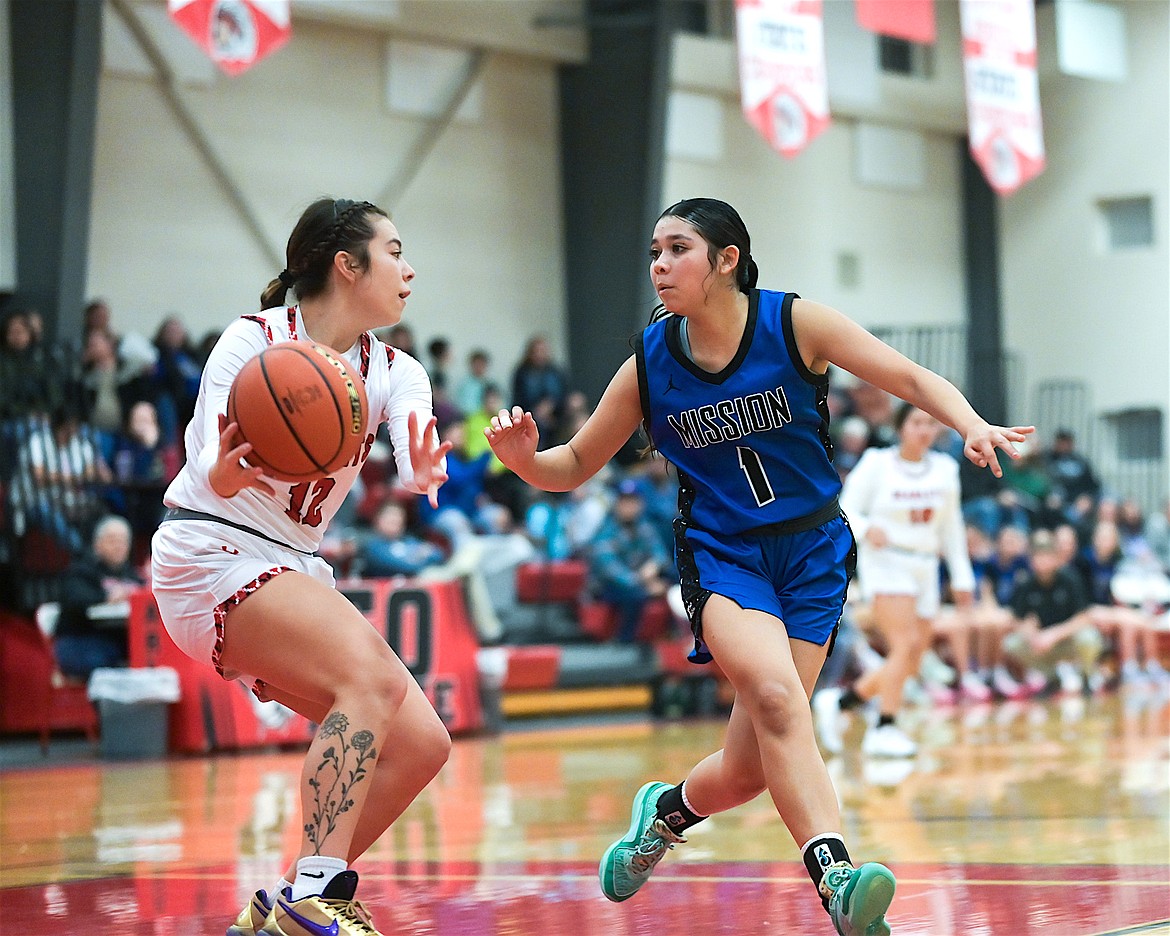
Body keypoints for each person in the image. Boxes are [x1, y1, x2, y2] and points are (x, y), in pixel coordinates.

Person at [485, 198, 1032, 935]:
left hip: (812, 552)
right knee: (778, 700)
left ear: (726, 259)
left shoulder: (793, 323)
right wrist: (526, 462)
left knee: (746, 768)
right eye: (654, 251)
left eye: (677, 249)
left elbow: (907, 378)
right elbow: (576, 461)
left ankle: (666, 814)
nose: (658, 265)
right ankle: (836, 877)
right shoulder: (650, 363)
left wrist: (971, 424)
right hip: (724, 553)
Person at [149, 197, 453, 936]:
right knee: (371, 680)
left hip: (289, 563)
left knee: (421, 745)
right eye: (394, 252)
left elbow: (416, 457)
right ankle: (318, 891)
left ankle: (278, 904)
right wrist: (225, 474)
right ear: (347, 266)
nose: (410, 270)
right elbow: (210, 472)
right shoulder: (251, 343)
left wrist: (430, 465)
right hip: (209, 546)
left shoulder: (396, 368)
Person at [812, 404, 977, 759]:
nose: (924, 430)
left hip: (926, 565)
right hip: (886, 563)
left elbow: (952, 526)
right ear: (901, 427)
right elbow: (843, 508)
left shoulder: (946, 469)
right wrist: (869, 527)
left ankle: (841, 701)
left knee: (913, 660)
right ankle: (884, 727)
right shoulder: (877, 463)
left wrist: (962, 575)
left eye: (931, 424)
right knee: (902, 646)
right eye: (917, 422)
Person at [54, 514, 142, 679]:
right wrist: (107, 596)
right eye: (112, 540)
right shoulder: (80, 570)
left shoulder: (130, 574)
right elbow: (76, 599)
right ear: (97, 544)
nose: (118, 546)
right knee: (109, 663)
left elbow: (142, 592)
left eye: (123, 541)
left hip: (116, 638)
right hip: (80, 640)